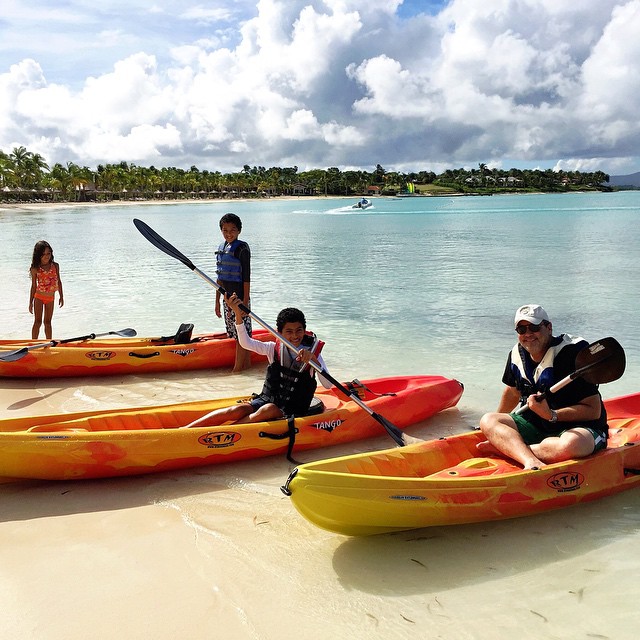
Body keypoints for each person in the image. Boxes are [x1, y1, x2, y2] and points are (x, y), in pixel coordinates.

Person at [477, 304, 608, 470]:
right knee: (488, 419)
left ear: (549, 327)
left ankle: (513, 451)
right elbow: (512, 392)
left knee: (572, 444)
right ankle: (529, 457)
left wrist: (551, 415)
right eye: (521, 329)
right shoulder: (516, 354)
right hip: (535, 425)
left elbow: (593, 410)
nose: (528, 334)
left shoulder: (573, 354)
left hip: (578, 429)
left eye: (534, 327)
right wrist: (494, 430)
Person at [185, 294, 332, 427]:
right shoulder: (272, 348)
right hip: (268, 399)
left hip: (293, 408)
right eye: (289, 331)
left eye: (299, 330)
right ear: (279, 332)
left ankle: (227, 431)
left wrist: (314, 361)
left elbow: (327, 384)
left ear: (304, 330)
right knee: (237, 409)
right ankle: (185, 430)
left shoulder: (313, 355)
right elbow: (246, 343)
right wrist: (238, 314)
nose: (295, 335)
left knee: (268, 410)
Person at [215, 213, 252, 372]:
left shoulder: (242, 248)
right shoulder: (221, 248)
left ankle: (237, 370)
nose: (229, 233)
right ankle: (247, 366)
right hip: (227, 299)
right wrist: (217, 301)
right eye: (225, 230)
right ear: (221, 231)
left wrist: (245, 301)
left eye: (233, 230)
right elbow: (220, 279)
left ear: (239, 231)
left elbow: (246, 278)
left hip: (239, 299)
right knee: (234, 333)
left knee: (241, 335)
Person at [28, 240, 64, 339]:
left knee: (48, 322)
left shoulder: (55, 266)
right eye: (43, 254)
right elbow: (33, 286)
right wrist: (31, 302)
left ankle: (49, 343)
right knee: (37, 321)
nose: (46, 256)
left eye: (48, 253)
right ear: (38, 255)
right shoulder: (35, 268)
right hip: (39, 297)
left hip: (50, 298)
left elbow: (59, 282)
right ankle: (33, 342)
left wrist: (61, 296)